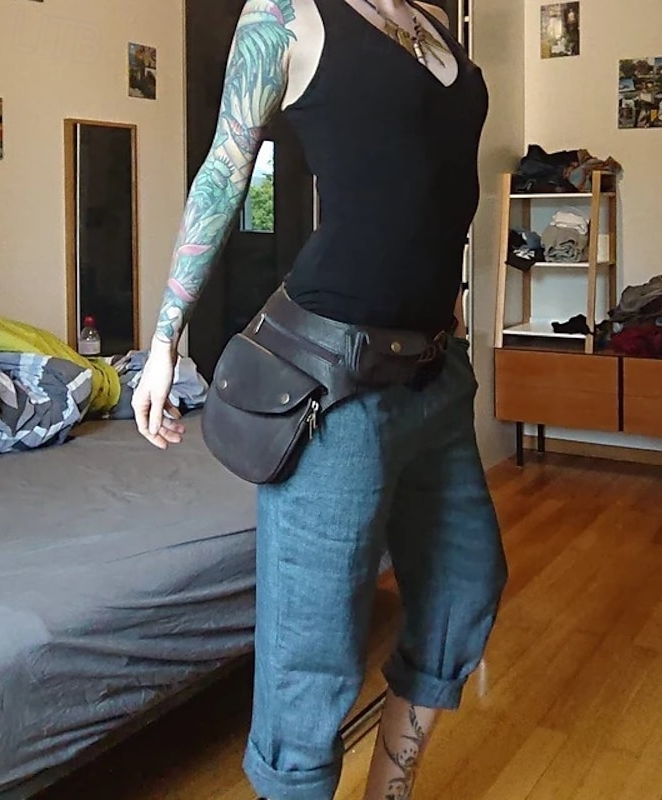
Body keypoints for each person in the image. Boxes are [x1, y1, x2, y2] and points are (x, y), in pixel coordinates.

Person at [131, 0, 508, 798]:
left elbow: (434, 187)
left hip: (434, 375)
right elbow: (225, 168)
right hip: (333, 383)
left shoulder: (434, 18)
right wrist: (165, 338)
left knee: (465, 587)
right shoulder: (284, 15)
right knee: (311, 669)